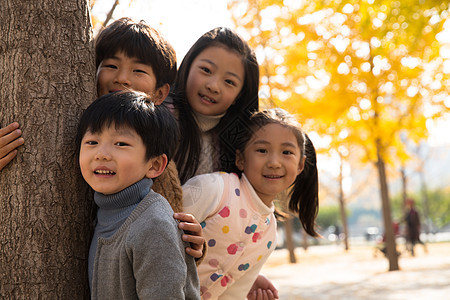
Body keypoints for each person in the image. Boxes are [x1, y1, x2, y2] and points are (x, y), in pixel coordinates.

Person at [182, 108, 320, 299]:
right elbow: (159, 234)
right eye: (262, 150)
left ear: (300, 165)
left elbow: (232, 295)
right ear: (240, 158)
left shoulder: (269, 234)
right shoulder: (214, 189)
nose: (274, 162)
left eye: (286, 152)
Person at [76, 91, 200, 299]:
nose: (101, 154)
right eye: (92, 142)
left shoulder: (152, 225)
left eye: (121, 144)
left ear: (154, 165)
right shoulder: (104, 210)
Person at [168, 27, 260, 185]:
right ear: (188, 65)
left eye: (229, 82)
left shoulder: (239, 146)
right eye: (206, 70)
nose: (214, 86)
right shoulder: (156, 118)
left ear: (239, 95)